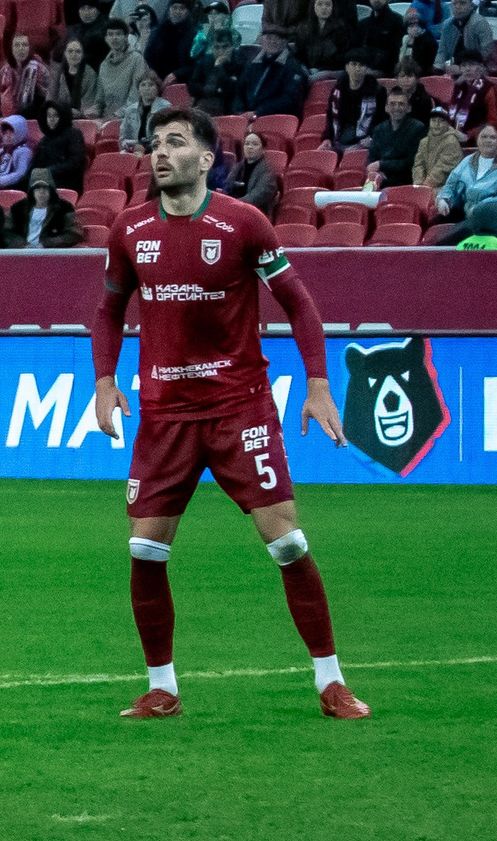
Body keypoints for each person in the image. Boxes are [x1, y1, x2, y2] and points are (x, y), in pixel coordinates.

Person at [93, 104, 366, 721]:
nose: (159, 153)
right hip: (164, 416)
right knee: (144, 552)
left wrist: (317, 384)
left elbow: (300, 304)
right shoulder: (130, 231)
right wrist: (105, 381)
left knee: (289, 543)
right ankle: (162, 688)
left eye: (175, 142)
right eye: (154, 143)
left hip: (239, 410)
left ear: (207, 159)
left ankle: (331, 682)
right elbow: (109, 310)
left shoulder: (244, 224)